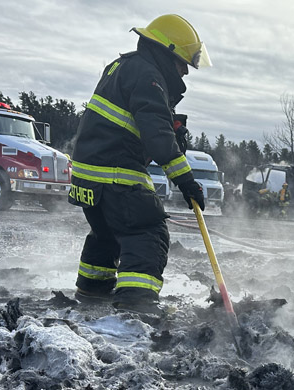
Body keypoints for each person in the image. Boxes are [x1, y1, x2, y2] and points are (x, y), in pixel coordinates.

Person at [68, 14, 210, 314]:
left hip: (88, 177)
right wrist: (187, 182)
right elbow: (158, 140)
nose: (185, 71)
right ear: (166, 52)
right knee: (147, 233)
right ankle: (136, 308)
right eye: (182, 62)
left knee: (106, 235)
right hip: (115, 175)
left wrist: (169, 123)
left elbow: (129, 124)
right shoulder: (148, 75)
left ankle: (91, 294)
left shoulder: (123, 67)